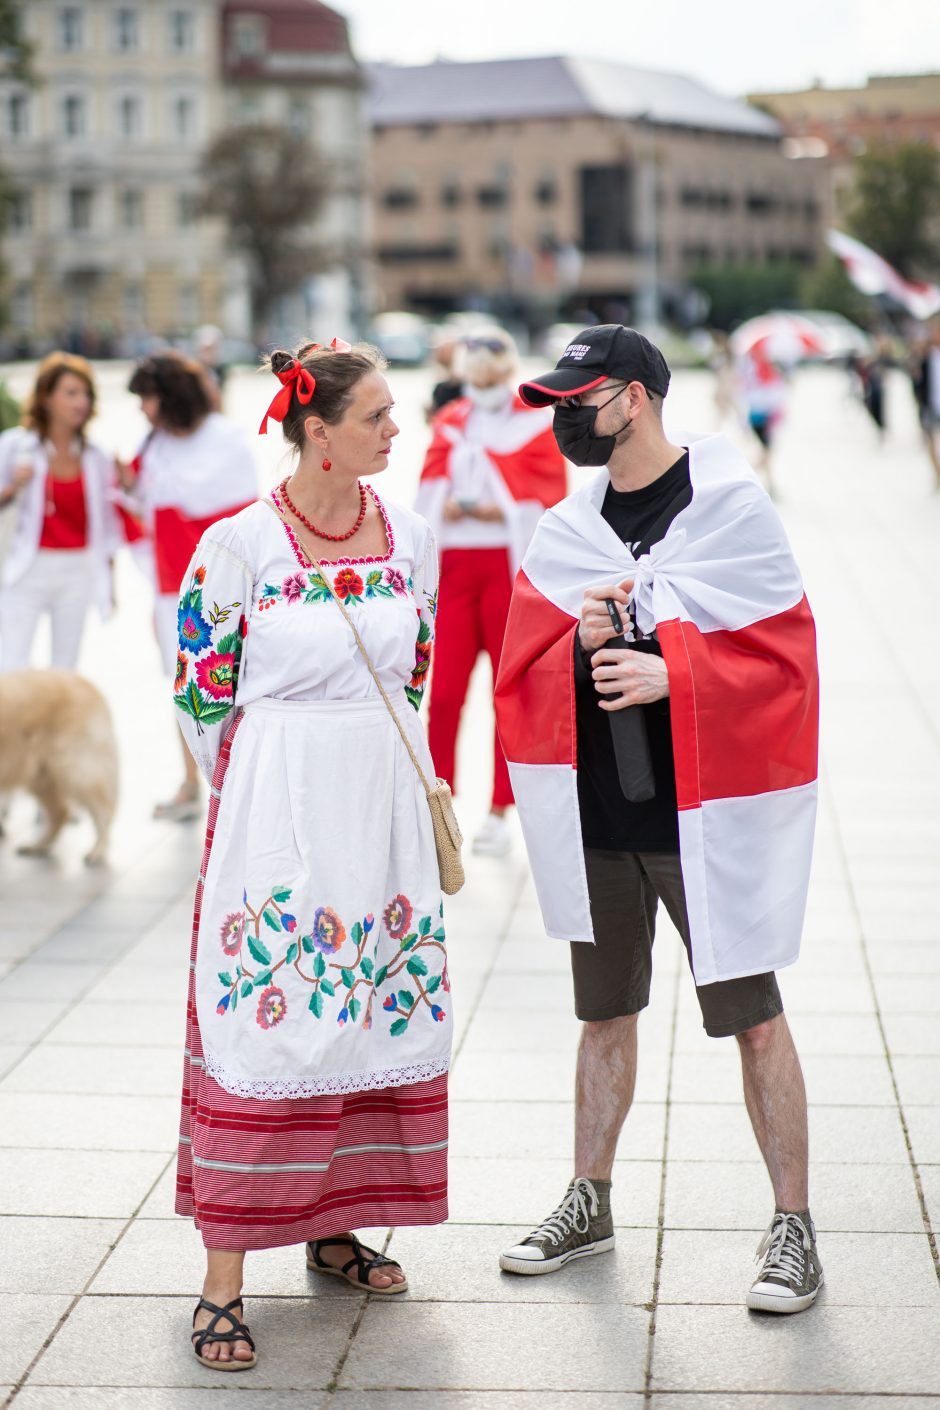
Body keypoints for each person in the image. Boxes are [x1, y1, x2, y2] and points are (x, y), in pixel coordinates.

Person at [494, 324, 822, 1314]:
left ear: (631, 397)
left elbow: (786, 663)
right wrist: (579, 640)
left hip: (705, 818)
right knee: (603, 1016)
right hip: (600, 807)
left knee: (753, 1021)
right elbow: (524, 660)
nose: (561, 420)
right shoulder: (570, 527)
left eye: (574, 402)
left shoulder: (729, 512)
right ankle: (587, 1201)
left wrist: (672, 667)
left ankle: (795, 1228)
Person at [175, 338, 452, 1371]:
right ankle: (224, 1278)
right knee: (270, 1017)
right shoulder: (237, 546)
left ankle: (336, 1225)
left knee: (368, 1008)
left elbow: (415, 667)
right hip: (278, 800)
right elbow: (200, 693)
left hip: (377, 797)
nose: (396, 430)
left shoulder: (410, 536)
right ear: (316, 432)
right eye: (377, 415)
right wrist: (258, 789)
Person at [415, 329, 566, 856]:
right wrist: (449, 507)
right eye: (473, 379)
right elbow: (427, 492)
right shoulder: (451, 423)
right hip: (456, 567)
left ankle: (502, 808)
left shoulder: (534, 426)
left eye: (490, 379)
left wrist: (495, 506)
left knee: (508, 693)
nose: (482, 388)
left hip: (507, 569)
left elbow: (548, 496)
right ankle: (437, 807)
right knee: (447, 690)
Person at [122, 351, 258, 819]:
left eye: (148, 398)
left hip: (223, 584)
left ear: (171, 397)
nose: (143, 408)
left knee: (234, 683)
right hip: (168, 582)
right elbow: (142, 495)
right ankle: (190, 783)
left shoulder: (226, 440)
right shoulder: (155, 441)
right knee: (185, 687)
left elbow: (242, 516)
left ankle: (240, 783)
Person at [0, 352, 122, 670]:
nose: (80, 401)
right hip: (27, 567)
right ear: (46, 396)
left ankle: (56, 723)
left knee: (65, 667)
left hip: (77, 571)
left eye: (85, 394)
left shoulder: (98, 457)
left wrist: (110, 582)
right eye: (70, 393)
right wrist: (12, 487)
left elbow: (110, 528)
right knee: (12, 665)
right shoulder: (14, 447)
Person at [738, 345, 786, 495]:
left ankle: (770, 484)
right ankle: (744, 478)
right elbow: (771, 395)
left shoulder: (750, 371)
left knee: (767, 452)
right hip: (763, 416)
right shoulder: (761, 371)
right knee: (767, 453)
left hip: (758, 416)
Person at [910, 326, 940, 488]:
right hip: (930, 405)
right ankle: (937, 474)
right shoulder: (926, 358)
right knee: (931, 442)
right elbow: (917, 382)